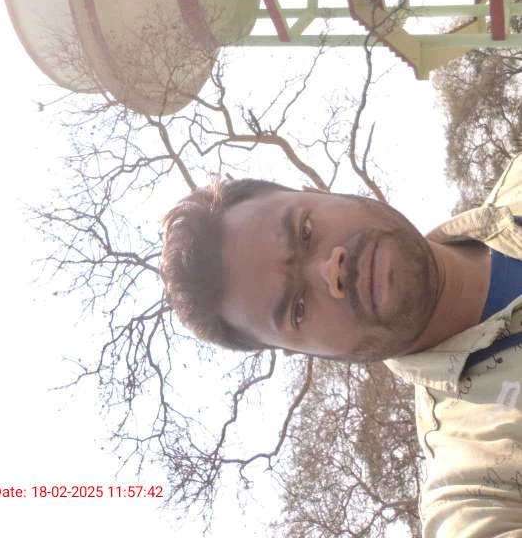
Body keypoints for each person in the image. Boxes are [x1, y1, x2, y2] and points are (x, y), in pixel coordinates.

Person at [161, 154, 522, 537]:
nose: (329, 270)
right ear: (304, 353)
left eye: (304, 231)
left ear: (319, 193)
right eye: (297, 309)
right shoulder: (473, 487)